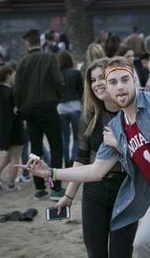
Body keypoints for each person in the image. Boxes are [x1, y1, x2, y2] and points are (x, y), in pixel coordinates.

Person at [19, 56, 150, 258]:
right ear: (107, 89)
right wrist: (51, 172)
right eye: (112, 82)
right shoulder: (115, 127)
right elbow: (95, 170)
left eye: (124, 79)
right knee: (143, 243)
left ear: (134, 80)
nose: (120, 86)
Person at [56, 58, 137, 257]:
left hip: (125, 192)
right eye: (93, 80)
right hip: (94, 192)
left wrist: (120, 145)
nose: (97, 83)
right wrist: (68, 196)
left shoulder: (133, 114)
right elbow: (81, 159)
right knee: (95, 252)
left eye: (102, 78)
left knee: (121, 253)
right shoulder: (89, 117)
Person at [13, 29, 64, 200]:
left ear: (27, 44)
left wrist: (20, 107)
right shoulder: (50, 57)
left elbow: (17, 89)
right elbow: (58, 81)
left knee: (35, 149)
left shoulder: (22, 63)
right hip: (48, 106)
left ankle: (40, 188)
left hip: (29, 110)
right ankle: (56, 188)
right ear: (39, 42)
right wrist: (57, 98)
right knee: (56, 147)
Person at [0, 65, 24, 191]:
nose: (15, 77)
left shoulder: (0, 91)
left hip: (4, 129)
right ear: (8, 75)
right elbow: (17, 110)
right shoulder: (11, 92)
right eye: (13, 74)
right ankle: (11, 185)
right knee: (15, 156)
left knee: (11, 153)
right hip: (14, 127)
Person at [57, 51, 83, 168]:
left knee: (65, 136)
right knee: (77, 136)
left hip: (61, 108)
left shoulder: (57, 74)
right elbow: (81, 90)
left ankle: (66, 161)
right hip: (75, 107)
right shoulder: (76, 73)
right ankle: (74, 159)